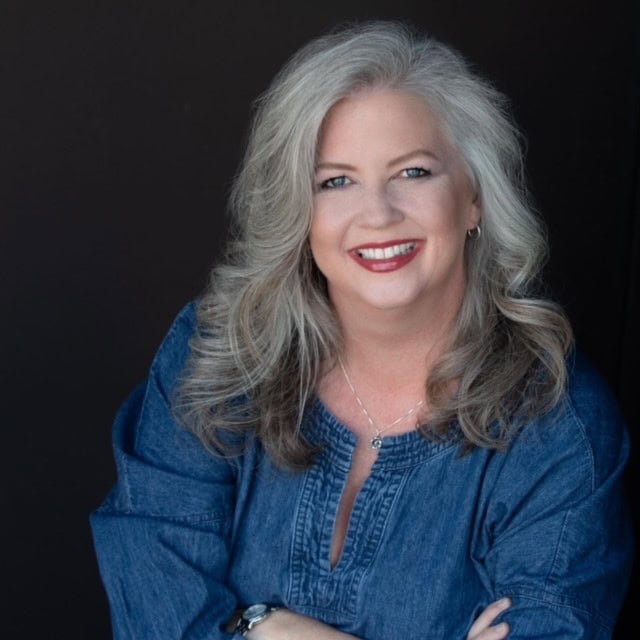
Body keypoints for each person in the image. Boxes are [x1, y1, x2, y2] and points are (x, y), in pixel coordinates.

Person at [91, 21, 633, 640]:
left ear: (474, 197)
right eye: (336, 181)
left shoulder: (556, 427)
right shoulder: (217, 357)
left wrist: (244, 626)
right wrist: (260, 625)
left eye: (414, 172)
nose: (378, 214)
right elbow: (151, 611)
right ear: (298, 210)